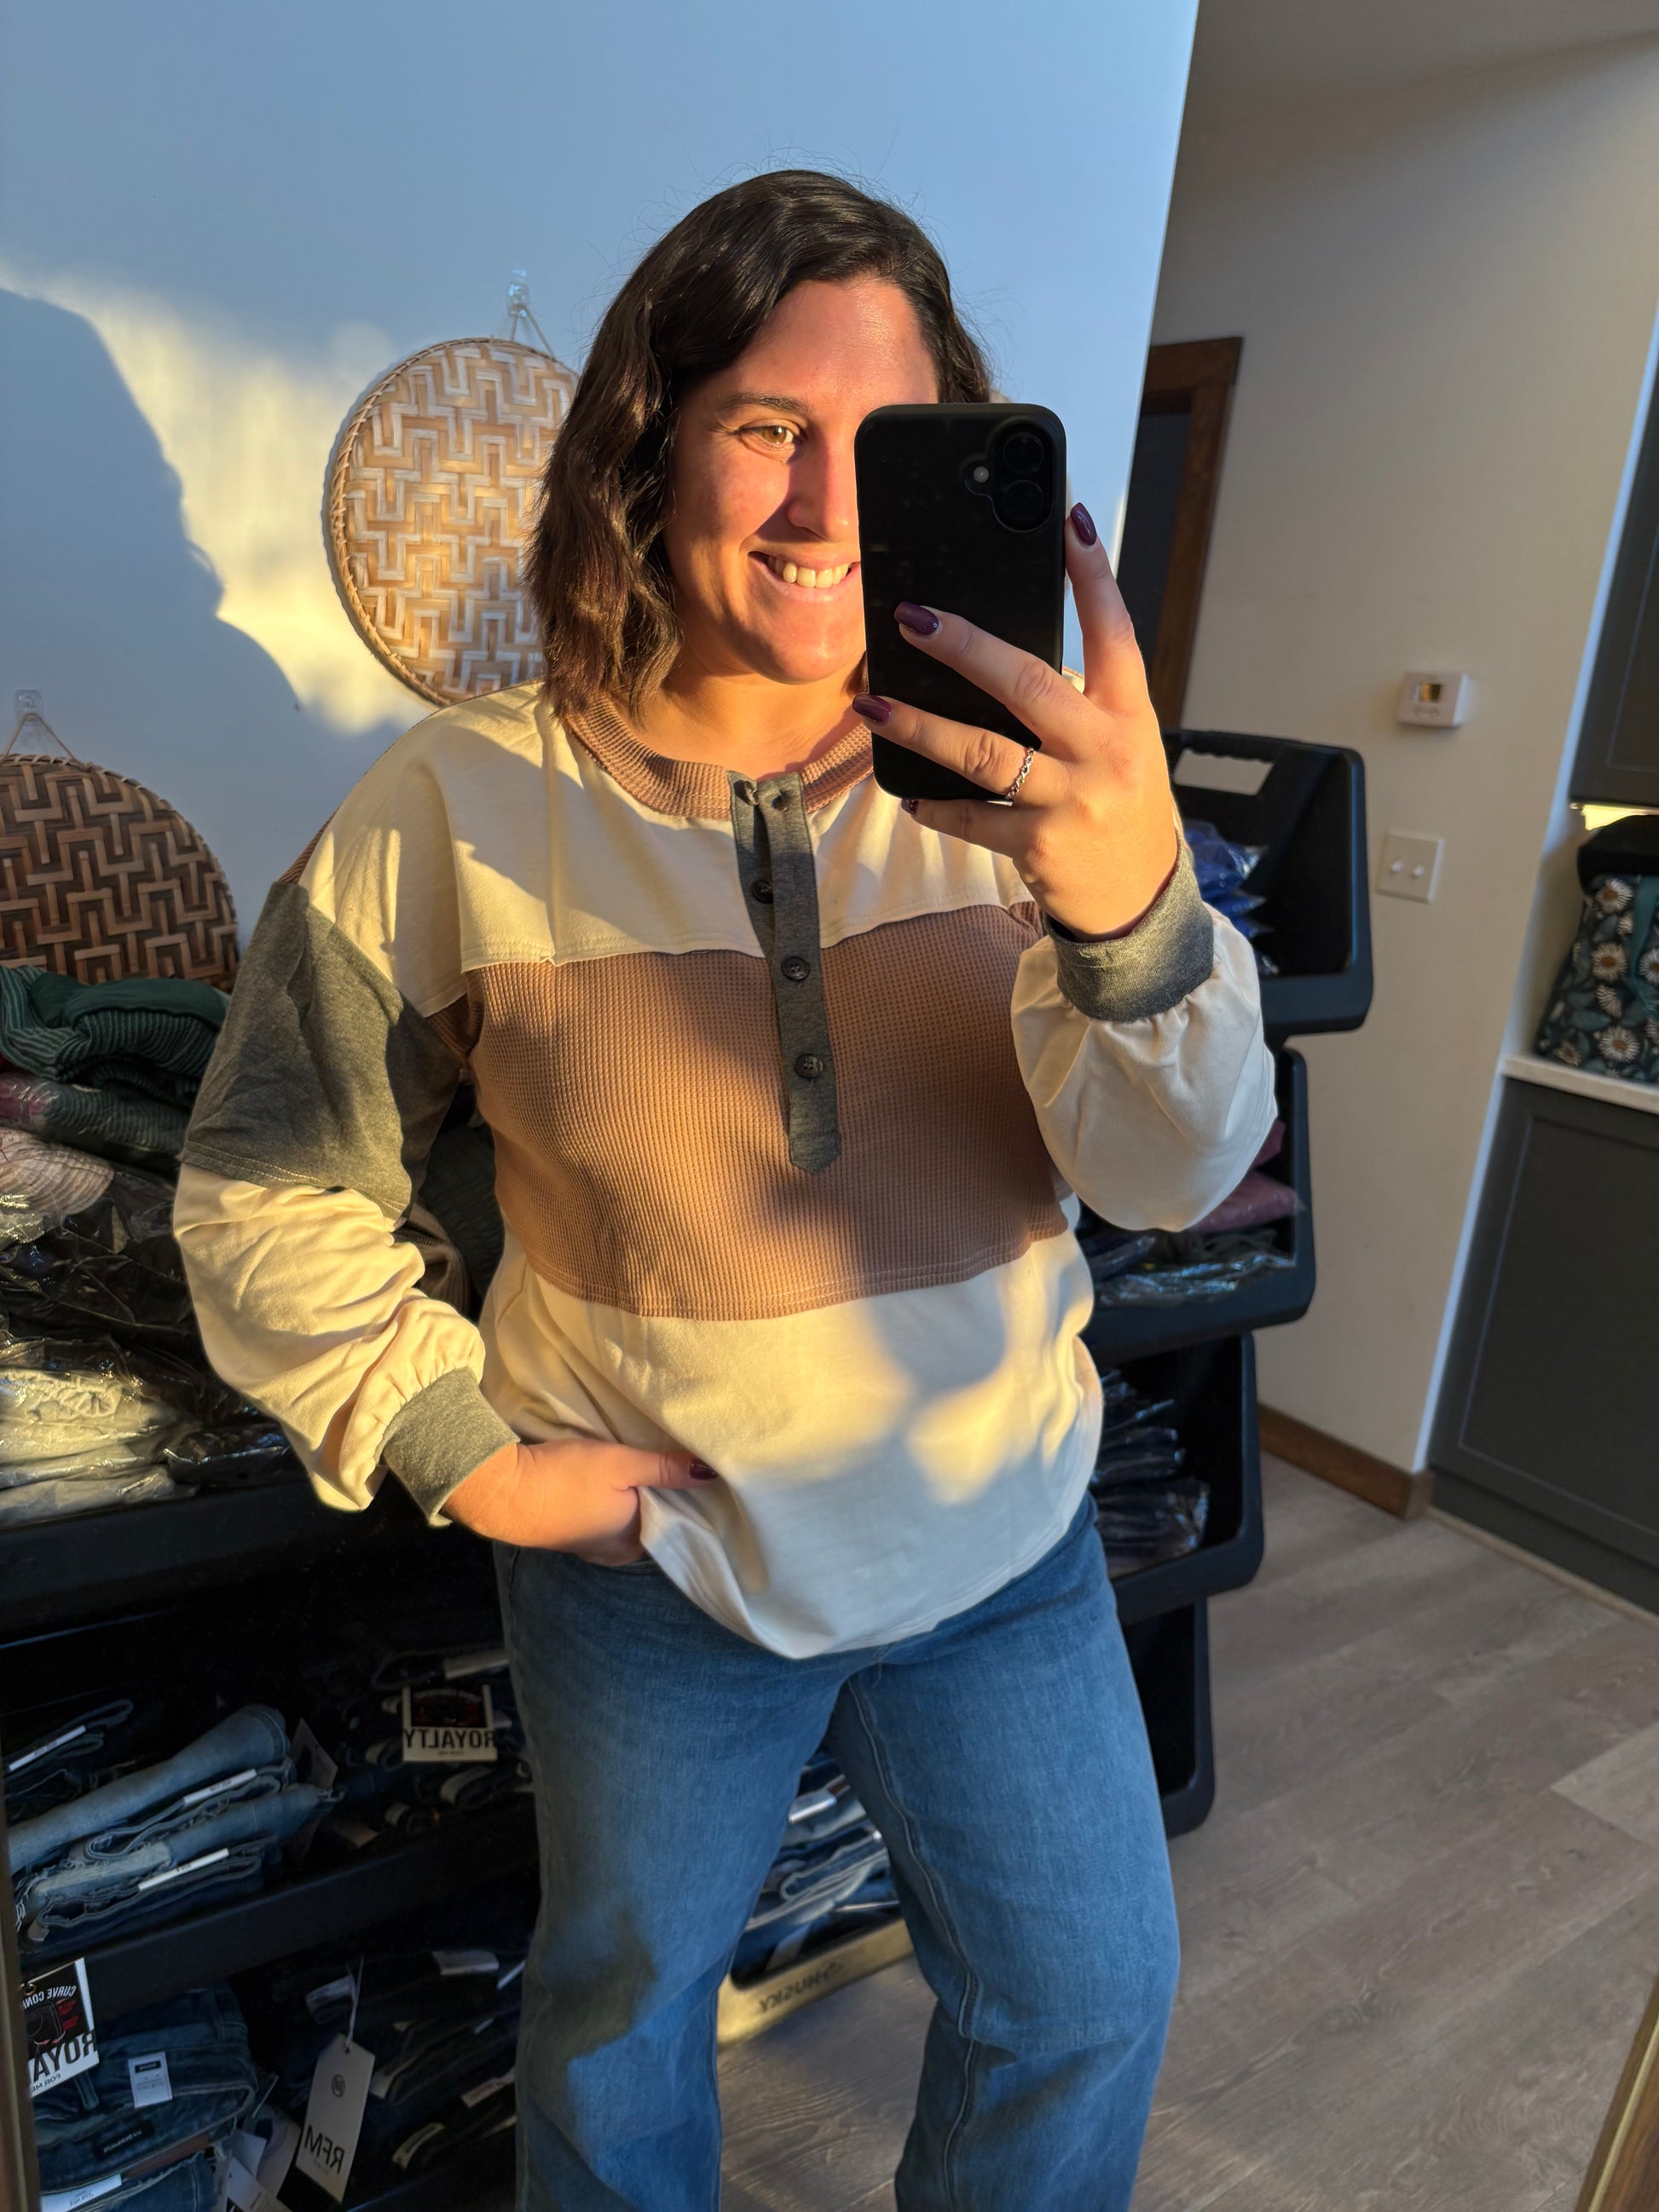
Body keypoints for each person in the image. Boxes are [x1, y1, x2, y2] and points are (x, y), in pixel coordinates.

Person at [176, 170, 1276, 2212]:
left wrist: (1128, 903)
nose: (825, 505)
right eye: (768, 426)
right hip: (656, 1573)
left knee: (1089, 1997)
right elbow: (261, 1185)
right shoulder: (453, 808)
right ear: (649, 442)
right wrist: (469, 1454)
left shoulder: (1031, 801)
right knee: (618, 2034)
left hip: (998, 1532)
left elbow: (1169, 1170)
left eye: (886, 439)